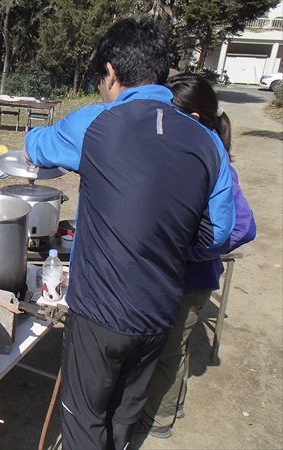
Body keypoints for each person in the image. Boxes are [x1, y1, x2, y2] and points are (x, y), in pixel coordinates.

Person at [23, 18, 236, 450]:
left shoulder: (95, 123)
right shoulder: (206, 140)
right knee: (124, 413)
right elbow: (220, 234)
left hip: (98, 312)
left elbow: (36, 145)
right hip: (160, 309)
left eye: (100, 79)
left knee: (84, 419)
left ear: (112, 73)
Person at [137, 73, 257, 439]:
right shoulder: (182, 157)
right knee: (174, 346)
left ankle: (158, 419)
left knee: (169, 351)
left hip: (189, 280)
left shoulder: (214, 166)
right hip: (171, 278)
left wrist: (188, 251)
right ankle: (175, 401)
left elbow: (242, 228)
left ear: (193, 120)